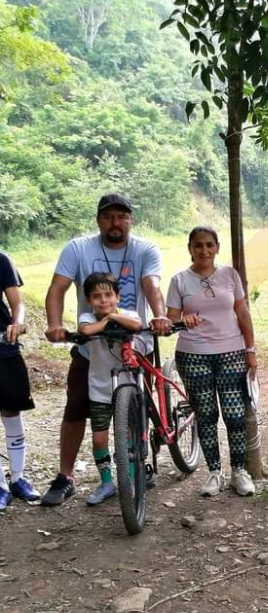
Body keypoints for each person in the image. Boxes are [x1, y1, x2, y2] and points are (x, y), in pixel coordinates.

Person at [41, 193, 170, 506]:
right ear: (98, 220)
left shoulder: (145, 249)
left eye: (122, 216)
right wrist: (55, 325)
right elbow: (57, 288)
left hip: (133, 346)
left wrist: (160, 315)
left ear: (130, 220)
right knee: (76, 407)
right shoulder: (78, 248)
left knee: (138, 409)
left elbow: (151, 286)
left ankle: (140, 465)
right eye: (108, 216)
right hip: (91, 348)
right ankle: (66, 476)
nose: (116, 222)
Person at [167, 226, 257, 497]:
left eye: (209, 245)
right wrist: (183, 320)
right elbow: (171, 319)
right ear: (190, 248)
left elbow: (242, 311)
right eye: (198, 245)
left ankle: (239, 471)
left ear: (217, 247)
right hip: (193, 355)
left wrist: (250, 349)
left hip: (232, 353)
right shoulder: (179, 280)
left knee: (234, 414)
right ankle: (214, 472)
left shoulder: (230, 275)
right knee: (205, 416)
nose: (204, 250)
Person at [77, 273, 143, 502]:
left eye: (108, 295)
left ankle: (130, 480)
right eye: (97, 297)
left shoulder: (128, 314)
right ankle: (106, 483)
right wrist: (106, 321)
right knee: (99, 439)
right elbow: (86, 331)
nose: (103, 300)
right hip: (99, 388)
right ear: (88, 300)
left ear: (118, 296)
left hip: (127, 386)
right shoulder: (87, 317)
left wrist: (113, 316)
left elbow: (136, 325)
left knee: (128, 436)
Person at [0, 251, 39, 509]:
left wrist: (18, 323)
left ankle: (17, 478)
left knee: (12, 410)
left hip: (4, 347)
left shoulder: (2, 260)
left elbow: (18, 304)